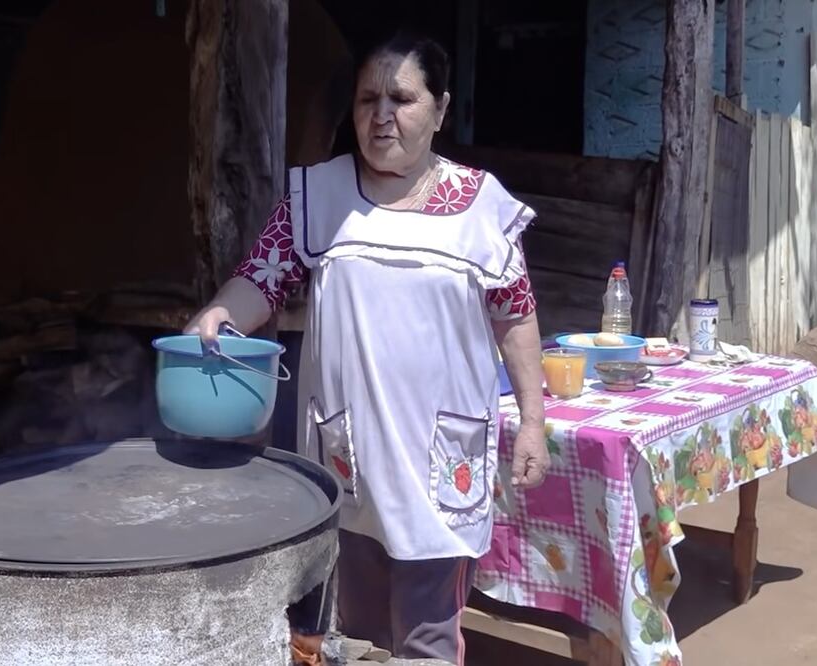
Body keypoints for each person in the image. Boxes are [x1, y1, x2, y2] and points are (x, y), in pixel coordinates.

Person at [184, 29, 550, 666]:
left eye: (401, 99)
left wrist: (534, 423)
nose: (381, 115)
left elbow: (515, 315)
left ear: (439, 109)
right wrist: (217, 316)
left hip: (442, 460)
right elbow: (261, 279)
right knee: (356, 634)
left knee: (428, 639)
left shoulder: (481, 208)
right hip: (348, 454)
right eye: (367, 99)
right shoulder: (318, 197)